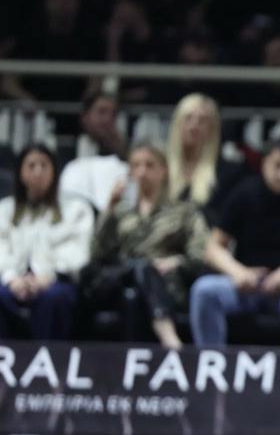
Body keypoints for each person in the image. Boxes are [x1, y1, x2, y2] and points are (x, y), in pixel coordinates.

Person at [190, 136, 280, 350]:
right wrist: (238, 273)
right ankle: (211, 363)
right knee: (204, 290)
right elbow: (213, 248)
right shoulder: (244, 193)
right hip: (247, 285)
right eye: (278, 165)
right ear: (265, 163)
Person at [86, 142, 208, 349]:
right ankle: (167, 334)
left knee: (138, 290)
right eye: (136, 166)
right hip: (121, 280)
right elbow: (97, 254)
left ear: (164, 170)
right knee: (140, 267)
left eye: (149, 165)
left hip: (167, 284)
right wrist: (109, 208)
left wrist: (177, 261)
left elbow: (199, 255)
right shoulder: (119, 211)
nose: (142, 172)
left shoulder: (183, 211)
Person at [0, 145, 94, 340]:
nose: (38, 172)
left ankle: (49, 359)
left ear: (54, 172)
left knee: (54, 298)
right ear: (20, 172)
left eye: (44, 165)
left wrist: (47, 276)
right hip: (13, 281)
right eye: (31, 165)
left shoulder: (76, 209)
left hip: (57, 281)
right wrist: (12, 279)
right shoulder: (5, 209)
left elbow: (78, 251)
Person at [165, 92, 246, 221]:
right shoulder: (159, 168)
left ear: (213, 128)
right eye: (188, 118)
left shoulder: (229, 174)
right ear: (177, 124)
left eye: (202, 121)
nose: (193, 126)